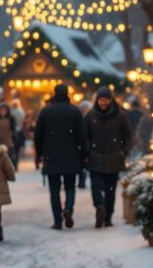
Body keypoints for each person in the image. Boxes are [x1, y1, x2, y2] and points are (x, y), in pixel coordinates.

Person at [35, 83, 87, 229]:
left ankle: (57, 220)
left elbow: (38, 135)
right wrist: (84, 154)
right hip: (71, 155)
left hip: (51, 155)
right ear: (67, 94)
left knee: (54, 189)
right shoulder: (75, 112)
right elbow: (82, 136)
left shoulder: (46, 112)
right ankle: (68, 209)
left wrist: (39, 154)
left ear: (54, 94)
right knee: (70, 187)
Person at [85, 86, 133, 228]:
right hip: (95, 158)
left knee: (110, 190)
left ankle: (108, 217)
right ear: (97, 100)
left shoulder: (120, 115)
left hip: (114, 160)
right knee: (95, 187)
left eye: (106, 100)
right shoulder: (90, 116)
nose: (103, 103)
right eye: (101, 100)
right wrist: (88, 151)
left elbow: (128, 135)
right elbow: (85, 136)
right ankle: (100, 206)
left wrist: (123, 152)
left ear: (111, 100)